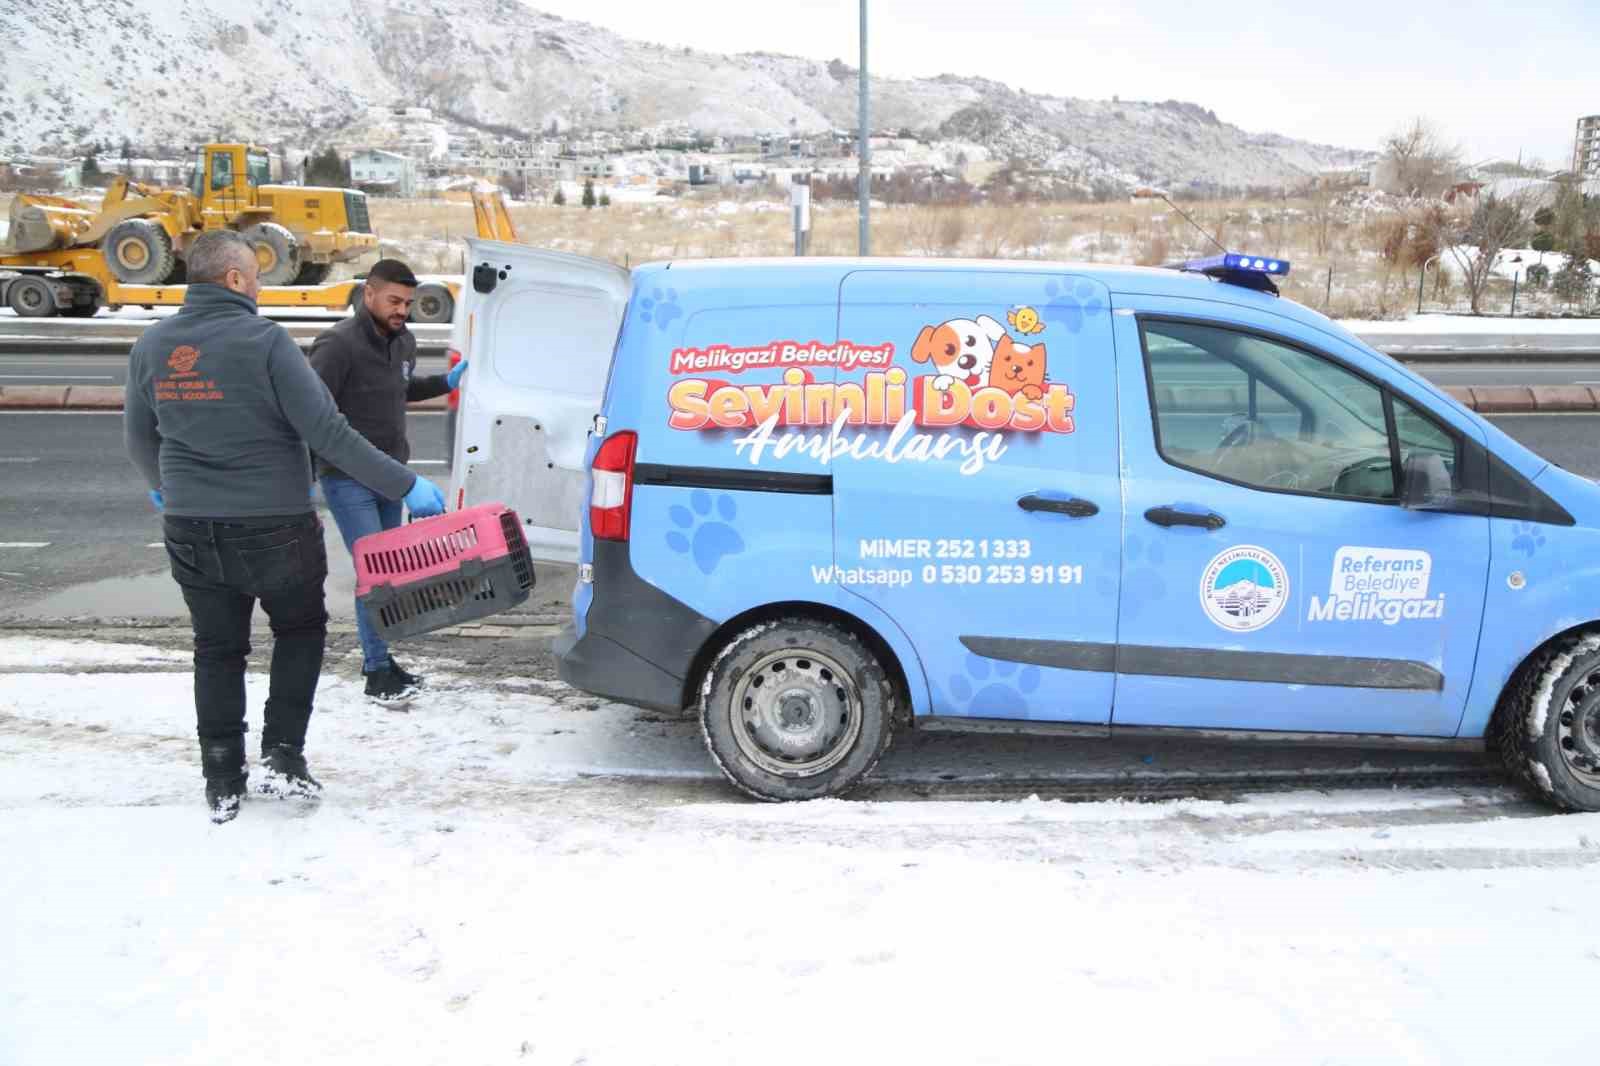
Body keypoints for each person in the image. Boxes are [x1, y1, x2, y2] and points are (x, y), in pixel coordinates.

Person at [124, 230, 447, 824]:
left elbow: (140, 437)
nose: (259, 286)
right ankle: (283, 757)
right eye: (255, 275)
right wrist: (405, 484)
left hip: (191, 526)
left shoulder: (152, 345)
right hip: (272, 523)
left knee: (216, 649)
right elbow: (329, 433)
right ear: (234, 279)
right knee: (299, 631)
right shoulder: (266, 342)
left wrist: (163, 487)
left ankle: (221, 777)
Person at [309, 258, 467, 706]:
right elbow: (310, 414)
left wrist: (444, 381)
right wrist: (305, 478)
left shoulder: (404, 342)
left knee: (390, 575)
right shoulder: (336, 345)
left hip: (392, 477)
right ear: (369, 295)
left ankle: (380, 659)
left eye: (408, 303)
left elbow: (401, 387)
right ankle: (377, 670)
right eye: (394, 300)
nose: (402, 310)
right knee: (375, 576)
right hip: (348, 478)